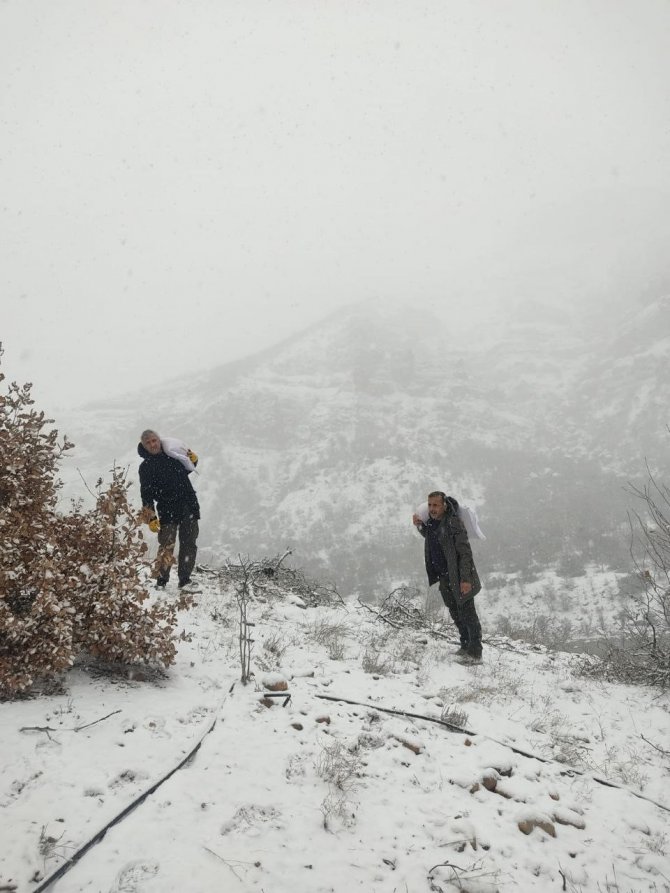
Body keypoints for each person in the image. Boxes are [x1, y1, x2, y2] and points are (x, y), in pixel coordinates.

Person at [412, 491, 483, 660]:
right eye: (429, 505)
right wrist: (419, 525)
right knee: (455, 612)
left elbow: (465, 553)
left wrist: (466, 580)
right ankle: (465, 644)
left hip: (459, 577)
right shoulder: (432, 524)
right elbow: (431, 538)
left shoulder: (454, 523)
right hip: (444, 577)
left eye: (436, 505)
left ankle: (475, 652)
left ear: (444, 505)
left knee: (468, 613)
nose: (432, 508)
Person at [138, 429, 200, 591]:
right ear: (144, 446)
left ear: (159, 440)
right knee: (166, 545)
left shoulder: (173, 456)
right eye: (148, 443)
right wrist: (151, 517)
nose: (152, 444)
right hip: (167, 509)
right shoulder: (146, 467)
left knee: (189, 544)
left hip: (188, 505)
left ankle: (185, 580)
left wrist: (194, 461)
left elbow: (185, 471)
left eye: (154, 440)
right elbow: (146, 494)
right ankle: (161, 580)